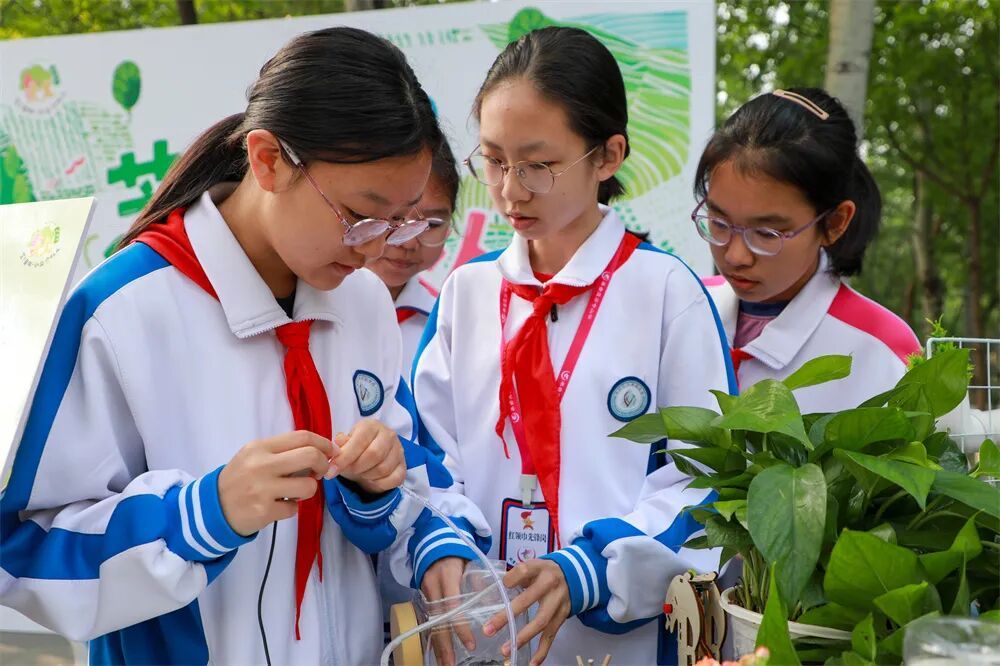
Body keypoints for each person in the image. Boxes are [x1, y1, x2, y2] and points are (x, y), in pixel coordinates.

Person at [0, 27, 452, 665]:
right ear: (268, 161)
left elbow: (411, 483)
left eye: (405, 220)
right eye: (360, 216)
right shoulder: (122, 312)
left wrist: (382, 482)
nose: (378, 248)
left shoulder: (365, 303)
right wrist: (200, 514)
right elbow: (22, 552)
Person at [393, 26, 735, 665]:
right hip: (483, 634)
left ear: (607, 156)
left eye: (539, 165)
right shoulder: (467, 294)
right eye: (493, 160)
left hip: (620, 642)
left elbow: (706, 478)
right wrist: (440, 538)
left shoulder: (665, 294)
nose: (510, 190)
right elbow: (423, 453)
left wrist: (589, 569)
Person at [695, 87, 920, 410]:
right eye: (719, 223)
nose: (735, 256)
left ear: (835, 223)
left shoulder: (881, 350)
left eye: (767, 233)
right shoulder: (684, 307)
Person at [368, 140, 458, 378]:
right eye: (394, 219)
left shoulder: (447, 325)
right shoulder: (313, 315)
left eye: (431, 224)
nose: (407, 242)